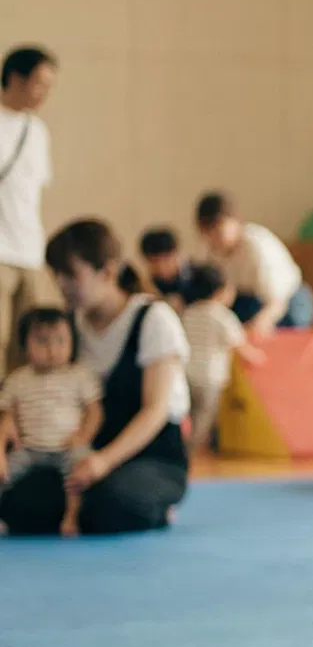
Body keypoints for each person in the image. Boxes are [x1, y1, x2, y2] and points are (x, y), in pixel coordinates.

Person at [0, 220, 190, 536]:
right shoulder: (69, 326)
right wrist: (8, 420)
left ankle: (156, 505)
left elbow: (155, 410)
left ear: (108, 272)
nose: (61, 284)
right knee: (20, 502)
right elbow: (33, 383)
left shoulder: (153, 320)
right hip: (84, 452)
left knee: (110, 505)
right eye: (56, 275)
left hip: (150, 455)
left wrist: (104, 461)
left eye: (71, 275)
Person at [0, 308, 101, 537]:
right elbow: (7, 415)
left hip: (67, 445)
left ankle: (72, 517)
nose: (52, 349)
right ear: (25, 346)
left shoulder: (79, 376)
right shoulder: (18, 379)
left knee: (78, 472)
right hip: (28, 448)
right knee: (3, 472)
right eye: (42, 342)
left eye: (61, 341)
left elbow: (95, 412)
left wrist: (83, 437)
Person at [0, 46, 60, 374]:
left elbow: (33, 196)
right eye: (39, 83)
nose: (44, 93)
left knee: (30, 344)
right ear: (15, 78)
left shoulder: (37, 132)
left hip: (30, 253)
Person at [194, 192, 313, 339]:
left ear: (235, 222)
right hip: (248, 300)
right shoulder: (212, 254)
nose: (213, 238)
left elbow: (277, 302)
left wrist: (257, 326)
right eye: (207, 233)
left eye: (218, 229)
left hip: (288, 301)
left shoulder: (256, 246)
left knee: (285, 331)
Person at [179, 263, 263, 453]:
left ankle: (184, 444)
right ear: (219, 292)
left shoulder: (189, 313)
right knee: (205, 417)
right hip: (209, 378)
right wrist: (257, 357)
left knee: (190, 414)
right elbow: (239, 345)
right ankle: (188, 450)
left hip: (187, 374)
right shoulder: (222, 316)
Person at [138, 227, 207, 312]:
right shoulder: (146, 288)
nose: (161, 267)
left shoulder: (202, 275)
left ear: (176, 253)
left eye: (166, 260)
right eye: (154, 261)